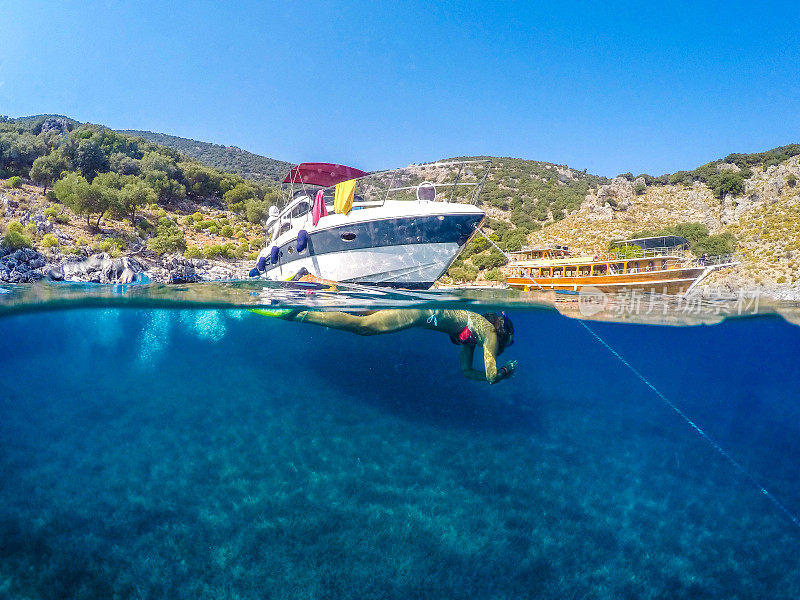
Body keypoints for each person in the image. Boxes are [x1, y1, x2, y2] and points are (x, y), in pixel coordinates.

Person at [257, 307, 518, 384]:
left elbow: (466, 372)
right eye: (508, 339)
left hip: (418, 314)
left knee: (363, 316)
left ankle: (310, 302)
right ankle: (295, 313)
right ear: (502, 332)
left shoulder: (475, 337)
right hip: (417, 314)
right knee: (365, 327)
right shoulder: (489, 335)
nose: (506, 343)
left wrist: (492, 374)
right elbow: (492, 376)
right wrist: (506, 371)